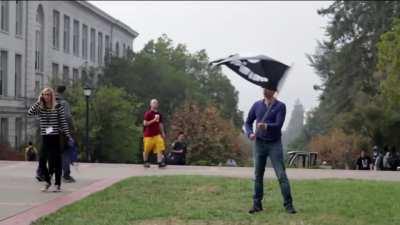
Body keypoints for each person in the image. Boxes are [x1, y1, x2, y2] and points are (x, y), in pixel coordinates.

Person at [245, 87, 296, 214]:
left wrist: (266, 126)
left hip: (274, 144)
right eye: (264, 88)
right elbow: (248, 122)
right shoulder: (257, 105)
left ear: (274, 91)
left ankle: (288, 205)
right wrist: (250, 133)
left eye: (268, 89)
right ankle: (257, 205)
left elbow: (278, 125)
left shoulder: (280, 106)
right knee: (258, 175)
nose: (265, 90)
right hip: (259, 144)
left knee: (281, 175)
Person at [27, 87, 72, 192]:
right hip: (45, 137)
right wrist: (38, 102)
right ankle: (48, 181)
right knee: (42, 161)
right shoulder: (40, 107)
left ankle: (57, 185)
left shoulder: (57, 107)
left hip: (55, 137)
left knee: (55, 162)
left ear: (51, 96)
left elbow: (63, 122)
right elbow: (29, 113)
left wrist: (68, 135)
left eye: (48, 94)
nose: (46, 96)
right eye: (44, 94)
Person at [56, 85, 76, 183]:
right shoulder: (64, 103)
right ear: (63, 92)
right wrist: (73, 128)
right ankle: (66, 175)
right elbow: (68, 117)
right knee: (65, 153)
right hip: (62, 131)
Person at [143, 99, 167, 168]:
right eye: (154, 103)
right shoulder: (148, 113)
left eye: (156, 103)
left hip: (157, 135)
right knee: (146, 149)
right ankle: (145, 162)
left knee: (160, 147)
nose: (155, 104)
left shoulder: (159, 114)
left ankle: (160, 163)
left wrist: (163, 133)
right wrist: (153, 120)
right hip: (148, 135)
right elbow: (145, 123)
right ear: (150, 104)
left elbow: (160, 124)